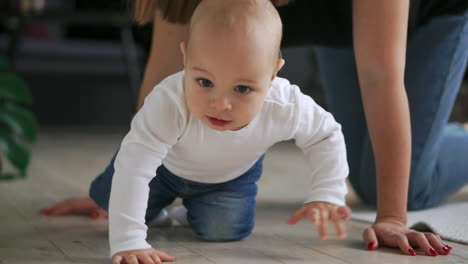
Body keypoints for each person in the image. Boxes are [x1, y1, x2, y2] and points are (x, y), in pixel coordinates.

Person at [41, 0, 466, 258]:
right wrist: (119, 191)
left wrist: (390, 216)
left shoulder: (285, 102)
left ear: (273, 73)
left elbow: (380, 77)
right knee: (368, 170)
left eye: (243, 88)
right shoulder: (197, 35)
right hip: (338, 23)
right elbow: (162, 79)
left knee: (398, 188)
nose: (222, 103)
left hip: (420, 16)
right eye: (206, 81)